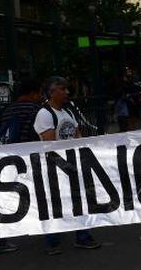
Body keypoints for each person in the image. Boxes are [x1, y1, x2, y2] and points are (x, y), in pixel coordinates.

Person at [34, 76, 101, 255]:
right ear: (51, 92)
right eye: (62, 89)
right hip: (55, 168)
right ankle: (53, 241)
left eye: (66, 89)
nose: (66, 92)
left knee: (79, 201)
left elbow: (77, 135)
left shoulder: (68, 111)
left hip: (72, 166)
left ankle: (83, 236)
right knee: (55, 204)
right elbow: (49, 144)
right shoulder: (45, 114)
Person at [0, 79, 43, 255]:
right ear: (33, 93)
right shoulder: (34, 109)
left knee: (7, 197)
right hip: (28, 157)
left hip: (9, 157)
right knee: (39, 193)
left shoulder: (8, 109)